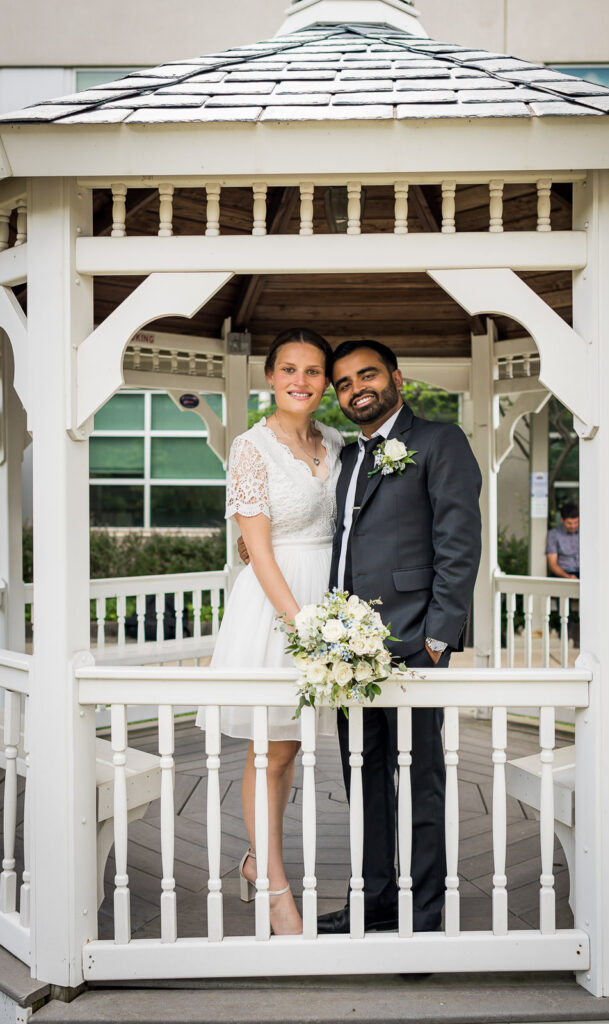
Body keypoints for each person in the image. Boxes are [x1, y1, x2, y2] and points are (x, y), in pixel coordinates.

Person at [316, 339, 482, 935]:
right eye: (343, 382)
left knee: (420, 782)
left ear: (397, 379)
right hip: (345, 653)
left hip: (415, 646)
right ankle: (376, 899)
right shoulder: (345, 457)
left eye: (368, 375)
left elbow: (459, 547)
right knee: (364, 779)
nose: (356, 387)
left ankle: (425, 913)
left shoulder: (440, 441)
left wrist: (437, 638)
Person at [200, 327, 343, 935]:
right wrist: (302, 625)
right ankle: (277, 888)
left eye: (313, 371)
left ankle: (260, 860)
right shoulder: (249, 447)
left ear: (326, 382)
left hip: (325, 593)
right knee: (269, 746)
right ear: (269, 376)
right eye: (289, 369)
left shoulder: (337, 442)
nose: (300, 381)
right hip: (276, 603)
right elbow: (255, 549)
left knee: (291, 748)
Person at [546, 503, 580, 580]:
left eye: (576, 522)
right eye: (569, 523)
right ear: (562, 520)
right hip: (563, 575)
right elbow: (552, 564)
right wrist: (568, 577)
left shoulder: (584, 532)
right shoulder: (554, 534)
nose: (573, 526)